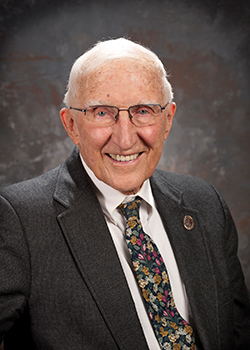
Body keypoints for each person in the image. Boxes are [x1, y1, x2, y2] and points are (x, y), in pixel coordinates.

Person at [0, 38, 249, 350]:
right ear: (72, 124)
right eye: (102, 113)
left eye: (143, 111)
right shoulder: (19, 219)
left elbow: (239, 334)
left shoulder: (205, 203)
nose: (125, 138)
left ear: (168, 119)